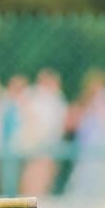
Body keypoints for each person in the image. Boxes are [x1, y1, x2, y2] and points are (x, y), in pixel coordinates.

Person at [65, 68, 105, 198]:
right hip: (87, 147)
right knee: (86, 177)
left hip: (100, 145)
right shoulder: (88, 100)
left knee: (99, 177)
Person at [20, 68, 68, 197]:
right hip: (38, 143)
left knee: (44, 174)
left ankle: (38, 198)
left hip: (48, 144)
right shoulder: (37, 96)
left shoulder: (55, 98)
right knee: (35, 173)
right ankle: (32, 199)